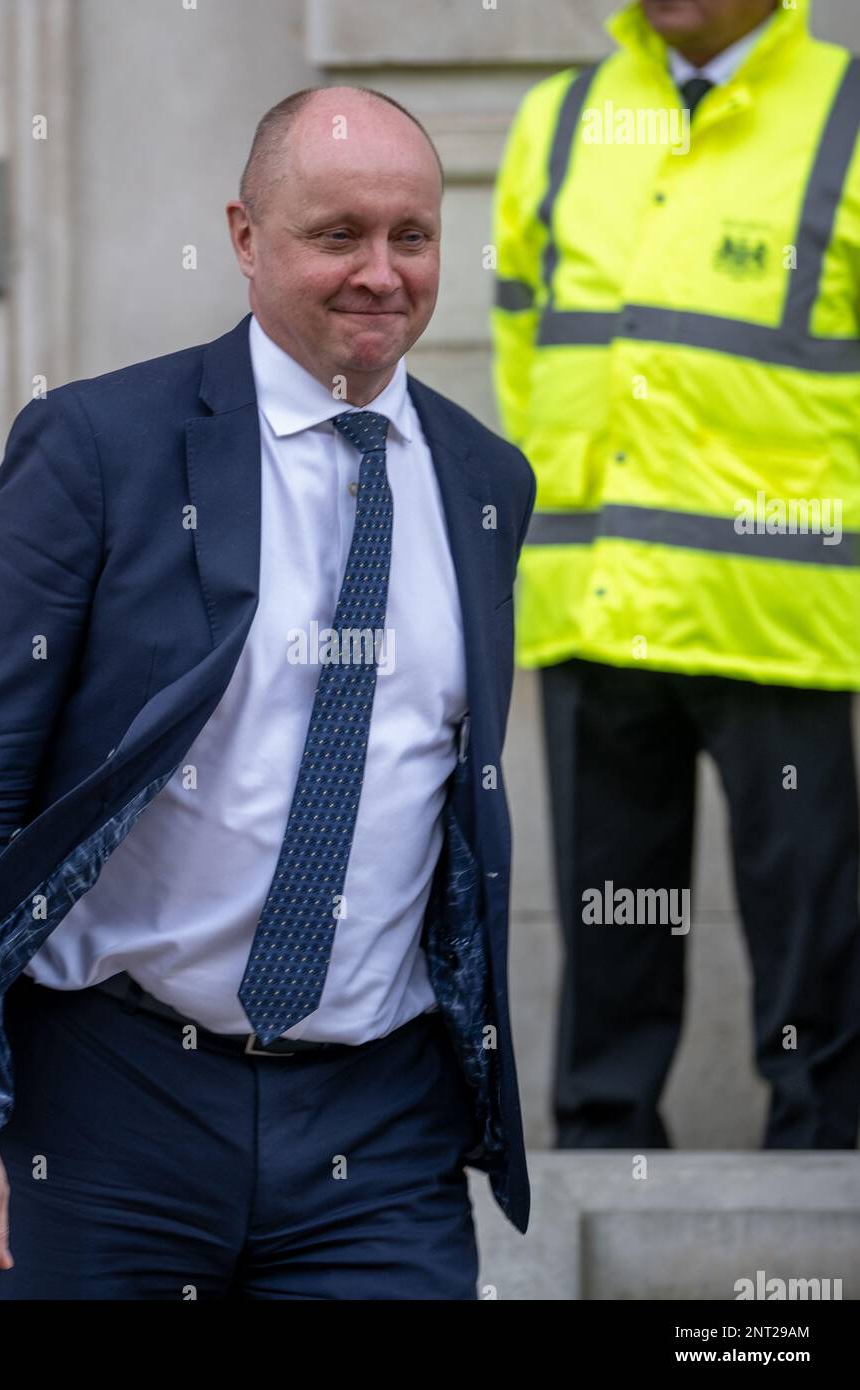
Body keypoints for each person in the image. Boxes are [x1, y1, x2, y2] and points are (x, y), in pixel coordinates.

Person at [0, 85, 536, 1300]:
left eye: (413, 236)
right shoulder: (98, 451)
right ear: (244, 236)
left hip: (379, 1130)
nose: (382, 274)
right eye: (336, 235)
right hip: (109, 1102)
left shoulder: (487, 482)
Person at [491, 0, 860, 1150]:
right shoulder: (559, 120)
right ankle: (603, 1158)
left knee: (810, 921)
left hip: (777, 610)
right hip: (594, 603)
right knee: (609, 920)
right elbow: (524, 346)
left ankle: (824, 1166)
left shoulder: (845, 115)